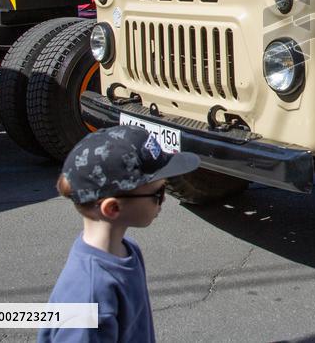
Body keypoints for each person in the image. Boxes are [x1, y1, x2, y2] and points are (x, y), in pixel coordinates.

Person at [39, 126, 200, 342]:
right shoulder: (90, 294)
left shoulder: (127, 249)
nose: (164, 200)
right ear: (112, 208)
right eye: (158, 193)